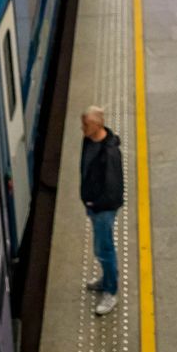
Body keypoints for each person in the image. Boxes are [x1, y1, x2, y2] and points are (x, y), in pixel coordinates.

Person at [79, 106, 124, 314]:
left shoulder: (110, 154)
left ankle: (111, 292)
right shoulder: (89, 140)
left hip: (103, 210)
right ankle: (106, 280)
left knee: (104, 251)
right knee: (102, 249)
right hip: (93, 205)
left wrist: (95, 205)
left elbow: (114, 190)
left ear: (97, 125)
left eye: (86, 125)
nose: (82, 129)